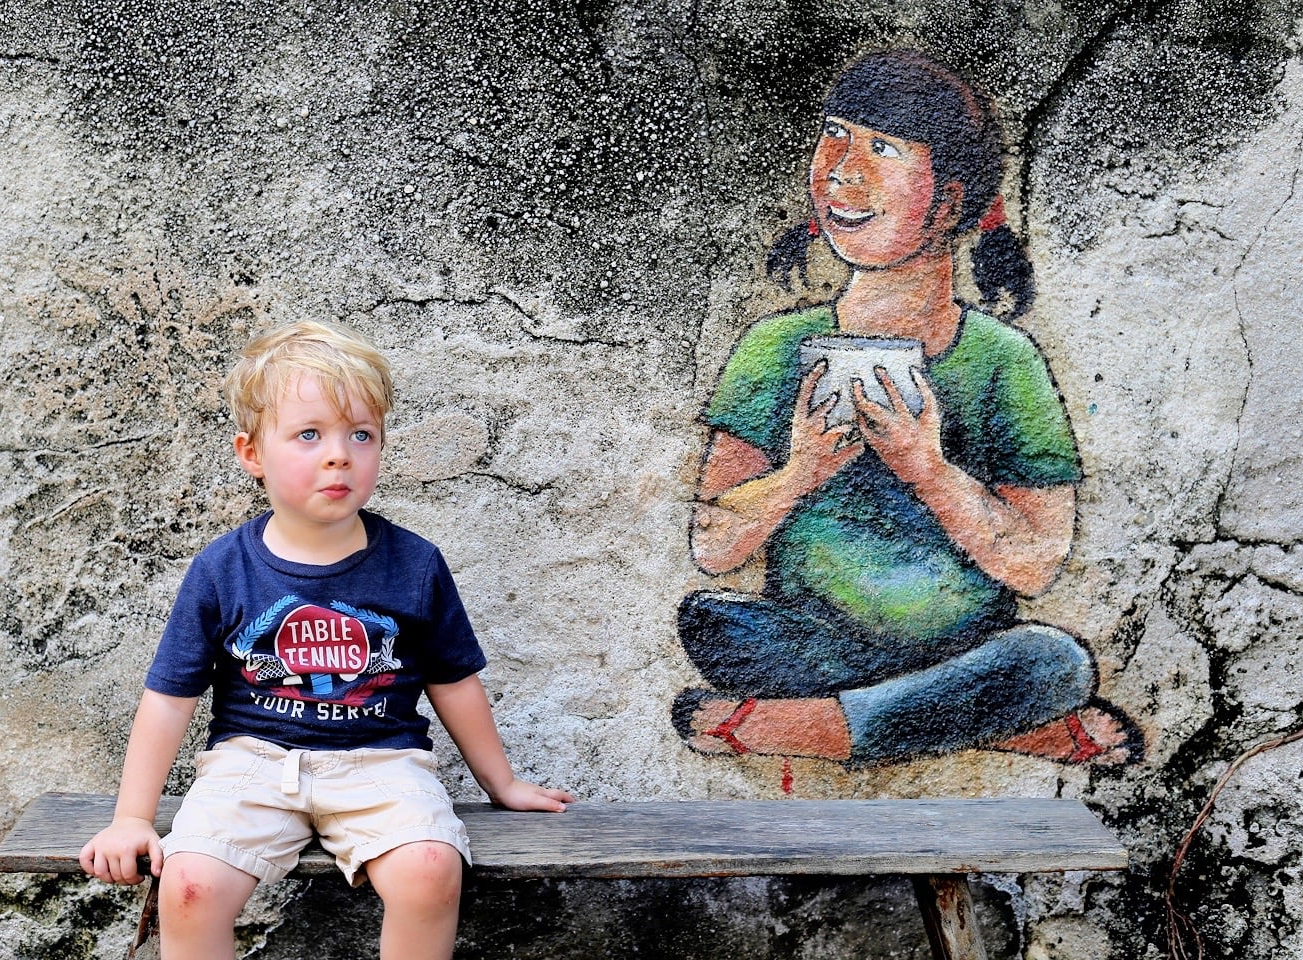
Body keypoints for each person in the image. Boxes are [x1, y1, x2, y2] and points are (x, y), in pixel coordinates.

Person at [673, 50, 1141, 767]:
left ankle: (791, 728)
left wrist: (928, 468)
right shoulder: (774, 347)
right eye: (834, 135)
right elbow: (714, 546)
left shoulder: (1002, 360)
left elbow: (1037, 562)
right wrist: (800, 470)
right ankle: (965, 717)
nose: (839, 170)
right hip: (812, 642)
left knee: (1054, 662)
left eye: (882, 149)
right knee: (711, 624)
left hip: (968, 646)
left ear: (950, 203)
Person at [79, 319, 573, 960]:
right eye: (309, 434)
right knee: (190, 885)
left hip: (381, 763)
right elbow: (169, 697)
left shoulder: (414, 564)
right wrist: (131, 819)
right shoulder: (222, 570)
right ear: (251, 453)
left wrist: (500, 784)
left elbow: (451, 680)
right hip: (251, 766)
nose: (339, 454)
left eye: (360, 435)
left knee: (430, 871)